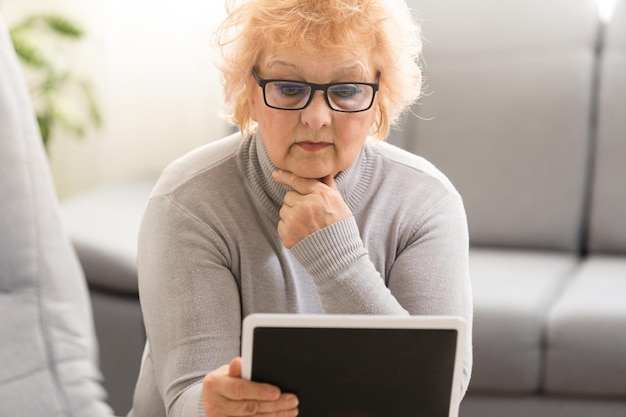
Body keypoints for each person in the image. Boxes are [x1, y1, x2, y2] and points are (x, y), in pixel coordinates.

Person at [128, 0, 473, 416]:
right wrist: (213, 406)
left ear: (380, 97)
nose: (315, 117)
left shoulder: (426, 202)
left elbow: (436, 398)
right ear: (250, 93)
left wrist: (337, 258)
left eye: (346, 91)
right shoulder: (188, 201)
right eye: (289, 88)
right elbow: (185, 399)